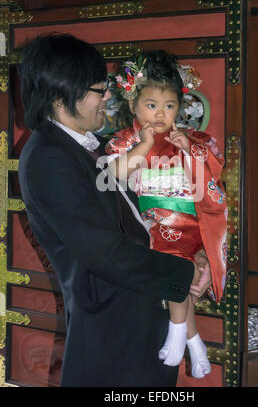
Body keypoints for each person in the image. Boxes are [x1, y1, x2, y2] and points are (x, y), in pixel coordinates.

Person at [17, 33, 210, 387]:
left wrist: (195, 254)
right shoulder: (48, 157)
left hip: (142, 317)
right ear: (62, 96)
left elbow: (151, 212)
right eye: (98, 88)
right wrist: (182, 275)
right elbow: (104, 253)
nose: (107, 96)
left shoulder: (97, 146)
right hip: (114, 334)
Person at [105, 50, 227, 379]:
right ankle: (194, 341)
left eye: (169, 106)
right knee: (178, 279)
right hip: (152, 223)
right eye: (151, 105)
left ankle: (177, 334)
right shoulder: (127, 141)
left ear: (180, 106)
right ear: (133, 104)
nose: (160, 114)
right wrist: (143, 147)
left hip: (188, 222)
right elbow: (114, 173)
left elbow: (213, 170)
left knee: (179, 274)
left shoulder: (189, 139)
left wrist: (188, 148)